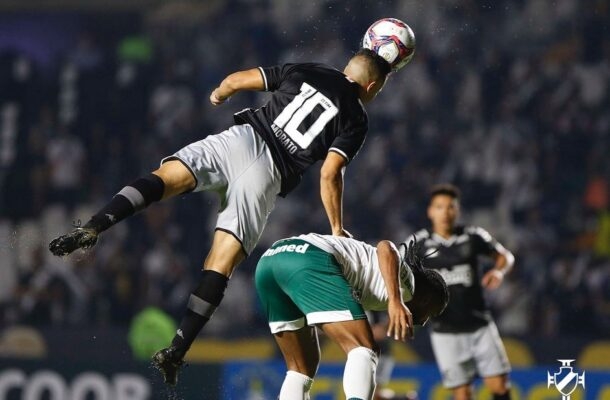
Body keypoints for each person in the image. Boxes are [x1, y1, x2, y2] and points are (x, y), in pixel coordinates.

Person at [48, 48, 393, 385]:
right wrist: (336, 227)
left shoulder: (309, 69)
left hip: (240, 140)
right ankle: (176, 350)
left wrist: (218, 93)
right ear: (372, 87)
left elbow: (237, 80)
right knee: (220, 263)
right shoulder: (356, 117)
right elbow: (330, 172)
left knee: (163, 178)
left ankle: (95, 225)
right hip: (266, 175)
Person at [255, 233, 449, 400]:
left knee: (300, 369)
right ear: (426, 300)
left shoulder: (373, 285)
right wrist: (395, 300)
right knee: (364, 348)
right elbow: (386, 247)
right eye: (431, 313)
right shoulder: (409, 286)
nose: (424, 321)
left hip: (270, 261)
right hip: (308, 259)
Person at [407, 184, 515, 400]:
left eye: (450, 207)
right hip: (444, 331)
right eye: (440, 207)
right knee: (462, 393)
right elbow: (394, 265)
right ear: (430, 211)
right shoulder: (419, 243)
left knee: (500, 386)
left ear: (457, 210)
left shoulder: (473, 236)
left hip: (480, 325)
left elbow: (505, 256)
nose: (445, 212)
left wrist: (499, 272)